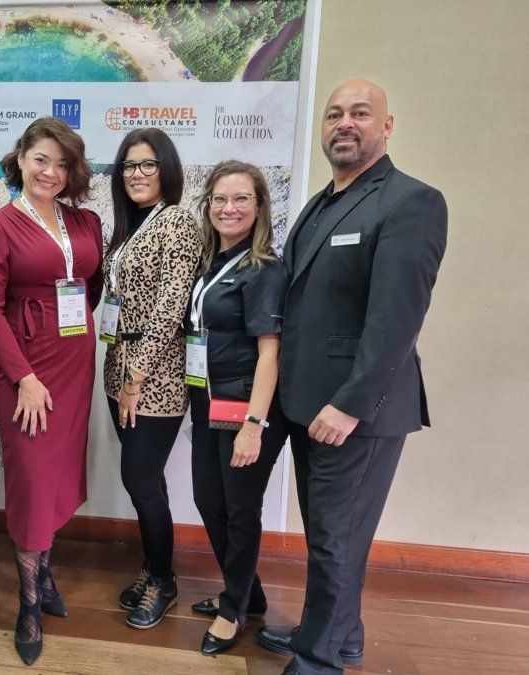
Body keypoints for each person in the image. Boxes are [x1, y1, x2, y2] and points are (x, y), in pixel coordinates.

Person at [256, 79, 447, 675]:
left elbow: (397, 321)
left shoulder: (411, 202)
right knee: (330, 538)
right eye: (335, 114)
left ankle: (318, 662)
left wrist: (351, 404)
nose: (345, 123)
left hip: (354, 413)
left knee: (338, 541)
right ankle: (342, 636)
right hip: (308, 407)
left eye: (360, 114)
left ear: (386, 127)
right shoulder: (323, 203)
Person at [0, 117, 103, 665]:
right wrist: (23, 376)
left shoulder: (86, 219)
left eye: (62, 163)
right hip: (26, 370)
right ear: (20, 159)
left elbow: (89, 287)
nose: (51, 171)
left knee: (59, 472)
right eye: (41, 159)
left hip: (75, 363)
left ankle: (45, 576)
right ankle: (28, 604)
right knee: (30, 478)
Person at [184, 161, 289, 654]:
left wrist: (254, 424)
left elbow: (271, 352)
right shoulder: (211, 262)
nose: (229, 208)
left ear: (259, 206)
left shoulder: (264, 268)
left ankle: (233, 609)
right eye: (220, 199)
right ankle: (249, 591)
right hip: (206, 399)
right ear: (208, 205)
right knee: (209, 500)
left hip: (244, 403)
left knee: (240, 510)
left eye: (241, 198)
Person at [102, 128, 202, 629]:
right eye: (128, 166)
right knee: (145, 480)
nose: (136, 175)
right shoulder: (127, 227)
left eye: (147, 165)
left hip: (154, 374)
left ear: (166, 169)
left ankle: (164, 579)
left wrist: (137, 374)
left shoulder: (179, 222)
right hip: (118, 364)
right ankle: (153, 565)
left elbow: (171, 305)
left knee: (140, 479)